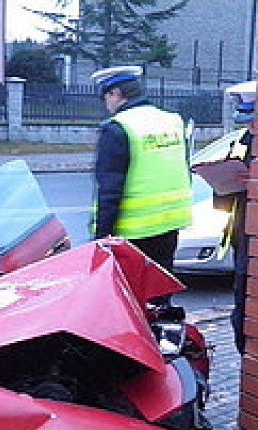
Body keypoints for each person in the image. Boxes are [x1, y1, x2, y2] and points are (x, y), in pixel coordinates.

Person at [90, 65, 192, 276]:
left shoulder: (117, 127)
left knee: (129, 298)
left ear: (115, 93)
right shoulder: (172, 121)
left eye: (105, 98)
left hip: (132, 233)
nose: (106, 105)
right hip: (169, 225)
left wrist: (102, 238)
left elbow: (109, 190)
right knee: (159, 294)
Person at [221, 80, 256, 355]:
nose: (248, 128)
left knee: (245, 307)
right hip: (240, 234)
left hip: (254, 240)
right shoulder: (244, 142)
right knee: (240, 306)